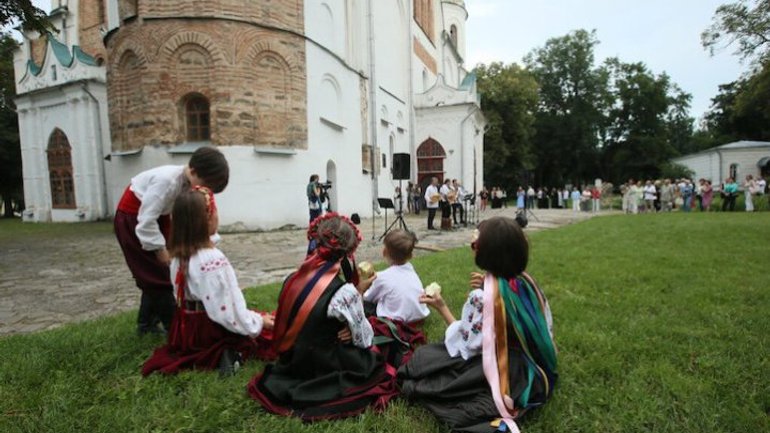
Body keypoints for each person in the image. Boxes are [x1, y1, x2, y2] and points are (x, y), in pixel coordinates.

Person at [399, 216, 557, 432]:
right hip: (529, 367)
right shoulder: (526, 283)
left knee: (422, 361)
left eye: (476, 243)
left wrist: (442, 307)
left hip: (501, 369)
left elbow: (466, 346)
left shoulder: (482, 297)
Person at [248, 214, 404, 420]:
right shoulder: (344, 292)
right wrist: (356, 302)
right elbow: (364, 338)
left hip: (293, 358)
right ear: (348, 253)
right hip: (323, 363)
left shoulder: (293, 279)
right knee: (376, 363)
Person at [142, 187, 274, 376]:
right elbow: (226, 313)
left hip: (185, 328)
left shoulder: (180, 255)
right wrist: (259, 322)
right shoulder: (211, 259)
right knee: (270, 333)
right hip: (209, 330)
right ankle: (226, 354)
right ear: (208, 218)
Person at [114, 146, 229, 336]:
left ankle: (146, 324)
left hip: (160, 218)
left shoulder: (193, 184)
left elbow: (203, 217)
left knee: (160, 273)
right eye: (205, 184)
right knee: (156, 276)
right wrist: (160, 250)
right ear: (193, 171)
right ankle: (175, 330)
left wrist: (206, 244)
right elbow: (146, 220)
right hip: (134, 219)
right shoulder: (167, 182)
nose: (205, 190)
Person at [363, 230, 430, 324]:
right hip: (419, 316)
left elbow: (368, 298)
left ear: (384, 251)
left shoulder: (382, 276)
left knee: (363, 305)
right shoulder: (411, 269)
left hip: (395, 321)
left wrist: (363, 287)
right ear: (410, 255)